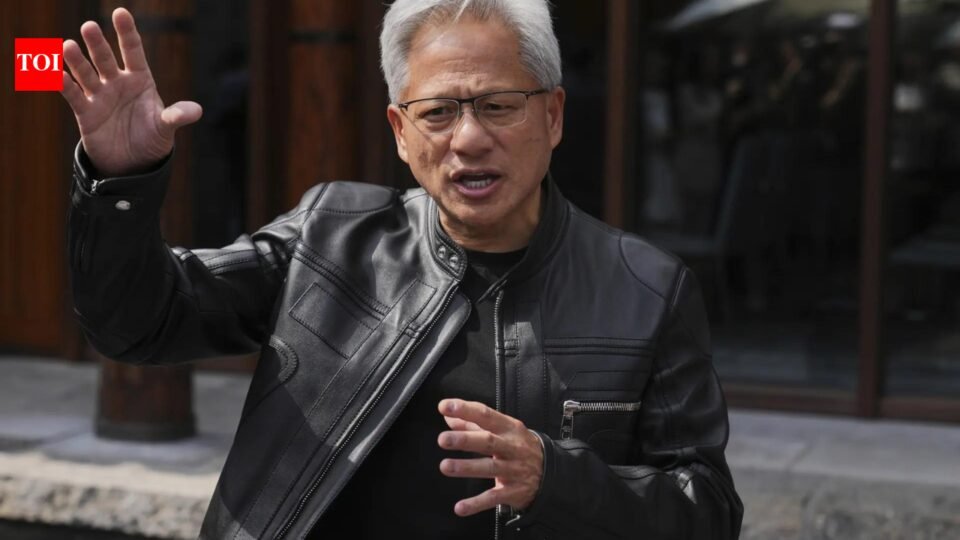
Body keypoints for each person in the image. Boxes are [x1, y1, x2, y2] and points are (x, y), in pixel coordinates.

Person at [60, 2, 743, 538]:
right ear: (400, 132)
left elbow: (708, 511)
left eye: (498, 105)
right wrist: (121, 183)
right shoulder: (330, 238)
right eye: (438, 112)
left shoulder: (646, 289)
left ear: (553, 115)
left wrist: (557, 478)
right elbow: (138, 325)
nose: (468, 139)